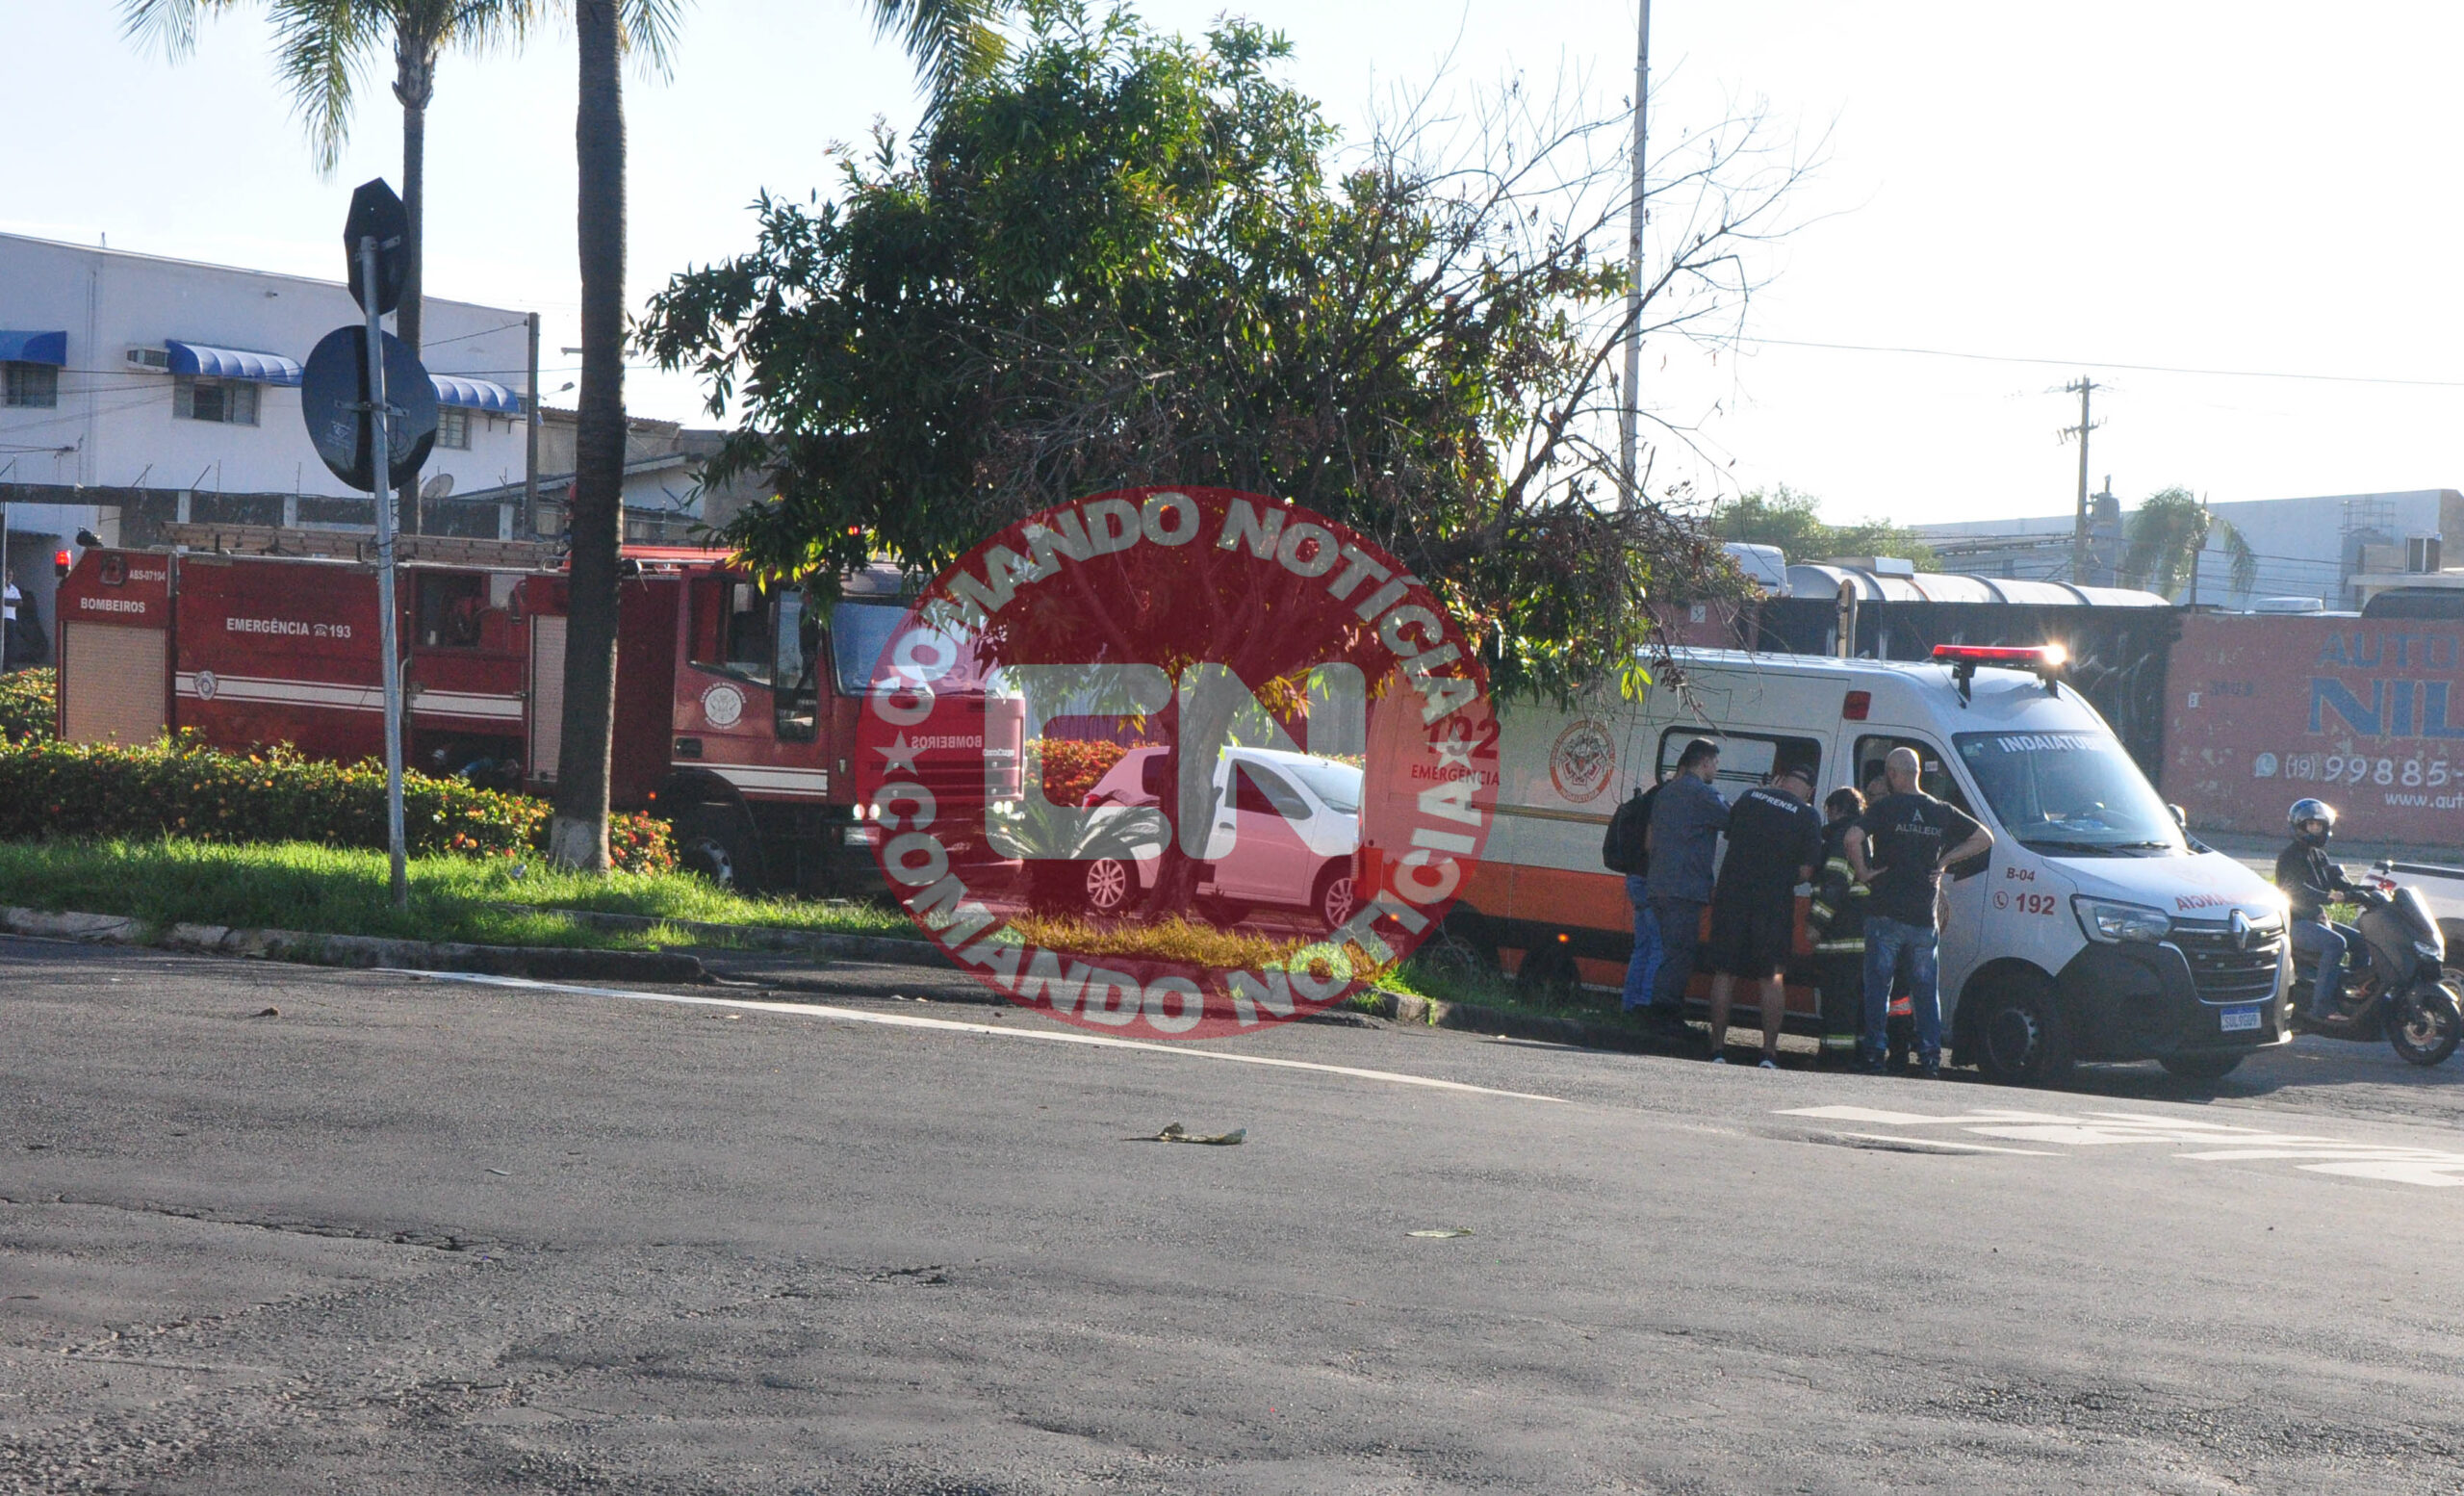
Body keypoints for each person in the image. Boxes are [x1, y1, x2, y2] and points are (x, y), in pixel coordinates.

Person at [1847, 746, 1992, 1077]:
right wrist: (1944, 861)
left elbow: (1853, 837)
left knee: (1878, 989)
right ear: (1918, 773)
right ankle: (1929, 1060)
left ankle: (1874, 1055)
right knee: (1926, 994)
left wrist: (1865, 872)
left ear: (1893, 774)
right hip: (1923, 919)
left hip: (1884, 913)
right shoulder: (1940, 810)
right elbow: (1984, 838)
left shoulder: (1885, 808)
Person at [1704, 763, 1822, 1067]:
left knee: (1724, 973)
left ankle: (1717, 1049)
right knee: (1772, 977)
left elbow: (1730, 837)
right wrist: (1782, 876)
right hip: (1772, 903)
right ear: (1809, 791)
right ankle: (1769, 1053)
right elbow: (1807, 871)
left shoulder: (1749, 796)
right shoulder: (1807, 815)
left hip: (1732, 895)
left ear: (1781, 780)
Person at [1643, 737, 1729, 1033]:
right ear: (1705, 762)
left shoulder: (1665, 793)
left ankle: (1662, 1010)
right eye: (1715, 764)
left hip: (1659, 883)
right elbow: (1733, 820)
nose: (1716, 769)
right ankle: (1664, 1015)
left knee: (1668, 949)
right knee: (1679, 953)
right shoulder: (1703, 794)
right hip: (1684, 886)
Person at [2276, 797, 2358, 1022]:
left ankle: (2355, 996)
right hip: (2296, 923)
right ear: (2300, 827)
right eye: (2311, 825)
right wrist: (2327, 897)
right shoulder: (2289, 857)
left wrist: (2363, 891)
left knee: (2361, 940)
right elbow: (2296, 891)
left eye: (2319, 825)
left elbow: (2336, 879)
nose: (2315, 829)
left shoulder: (2319, 855)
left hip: (2315, 919)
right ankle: (2322, 1007)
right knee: (2335, 944)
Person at [1808, 787, 1870, 1068]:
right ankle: (1853, 1057)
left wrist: (1816, 922)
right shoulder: (1864, 836)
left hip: (1841, 938)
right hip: (1858, 938)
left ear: (1835, 810)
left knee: (1837, 1003)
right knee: (1853, 1003)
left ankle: (1835, 1059)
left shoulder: (1841, 837)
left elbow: (1835, 884)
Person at [1602, 772, 1668, 1014]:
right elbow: (1651, 845)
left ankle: (1628, 1005)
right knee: (1658, 948)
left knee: (1641, 948)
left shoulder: (1644, 799)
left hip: (1635, 878)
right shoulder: (1663, 801)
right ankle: (1644, 1005)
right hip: (1651, 881)